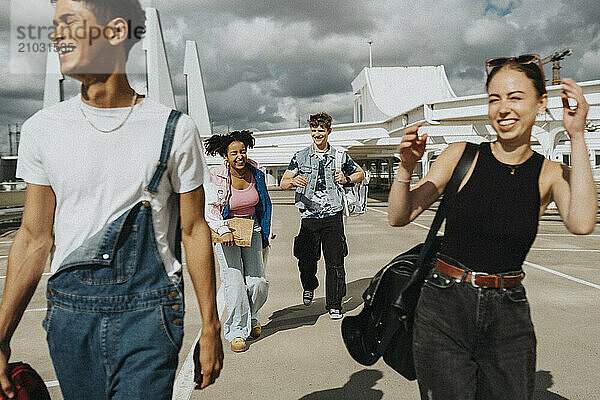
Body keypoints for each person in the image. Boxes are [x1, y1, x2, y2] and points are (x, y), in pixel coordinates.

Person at [0, 1, 223, 398]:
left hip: (149, 317)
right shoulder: (43, 130)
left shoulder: (174, 129)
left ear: (116, 32)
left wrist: (211, 325)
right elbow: (34, 238)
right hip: (70, 317)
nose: (55, 35)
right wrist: (1, 334)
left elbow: (193, 230)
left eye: (69, 23)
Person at [388, 55, 597, 399]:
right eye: (494, 98)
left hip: (509, 311)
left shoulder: (549, 173)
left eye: (515, 97)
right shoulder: (460, 155)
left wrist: (576, 136)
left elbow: (582, 222)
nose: (503, 108)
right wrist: (406, 167)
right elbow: (400, 215)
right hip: (444, 304)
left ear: (540, 102)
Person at [280, 112, 365, 319]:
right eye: (313, 130)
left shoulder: (339, 157)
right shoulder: (300, 156)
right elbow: (283, 182)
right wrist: (293, 182)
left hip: (332, 215)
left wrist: (346, 178)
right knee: (306, 260)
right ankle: (309, 285)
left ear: (328, 131)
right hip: (309, 216)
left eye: (320, 130)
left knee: (335, 261)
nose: (316, 134)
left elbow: (360, 174)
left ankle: (334, 304)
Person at [204, 131, 271, 353]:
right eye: (234, 153)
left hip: (253, 228)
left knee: (258, 282)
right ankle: (237, 332)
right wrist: (223, 230)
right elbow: (210, 209)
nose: (240, 156)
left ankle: (252, 316)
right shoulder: (216, 175)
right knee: (233, 281)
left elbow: (264, 204)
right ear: (225, 155)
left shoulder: (256, 171)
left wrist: (265, 232)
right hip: (226, 230)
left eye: (242, 151)